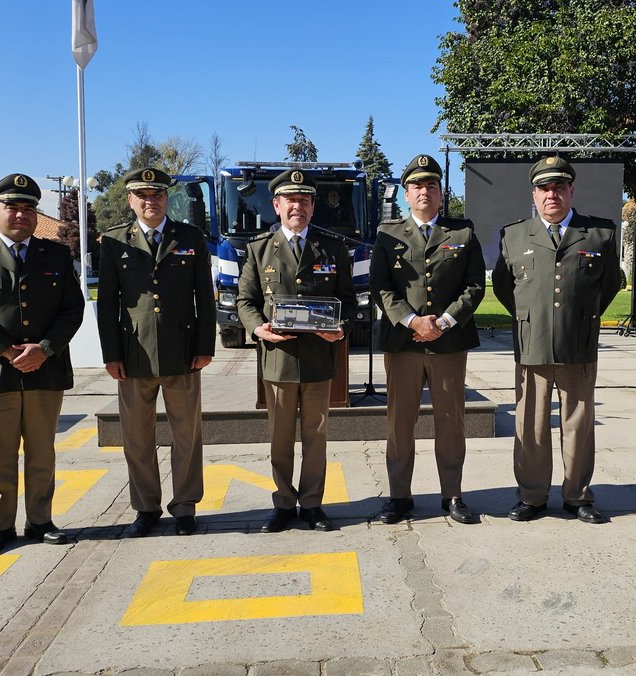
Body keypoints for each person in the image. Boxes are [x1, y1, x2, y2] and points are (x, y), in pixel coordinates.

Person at [0, 173, 85, 556]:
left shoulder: (55, 255)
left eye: (28, 208)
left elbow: (73, 308)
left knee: (42, 452)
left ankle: (40, 520)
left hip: (46, 369)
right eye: (13, 207)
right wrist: (9, 352)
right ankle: (0, 526)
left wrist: (44, 348)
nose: (21, 214)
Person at [491, 157, 621, 524]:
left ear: (571, 191)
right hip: (532, 344)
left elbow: (610, 284)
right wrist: (532, 317)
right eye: (545, 188)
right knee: (530, 425)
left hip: (578, 344)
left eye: (560, 187)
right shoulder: (514, 235)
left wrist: (580, 317)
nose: (552, 195)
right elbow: (505, 287)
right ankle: (532, 496)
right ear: (533, 194)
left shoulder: (600, 233)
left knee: (578, 425)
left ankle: (577, 496)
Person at [97, 167, 216, 538]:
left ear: (168, 198)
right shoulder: (115, 242)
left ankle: (185, 507)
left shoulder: (190, 237)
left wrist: (204, 346)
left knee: (187, 435)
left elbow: (204, 299)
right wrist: (111, 354)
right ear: (131, 200)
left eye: (158, 195)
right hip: (134, 356)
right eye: (143, 195)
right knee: (136, 437)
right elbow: (108, 304)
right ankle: (146, 507)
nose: (151, 201)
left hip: (182, 352)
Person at [237, 169, 355, 533]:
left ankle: (313, 504)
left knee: (316, 438)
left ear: (312, 206)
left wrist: (341, 328)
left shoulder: (332, 248)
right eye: (290, 200)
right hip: (279, 361)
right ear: (276, 205)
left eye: (304, 200)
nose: (297, 207)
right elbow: (246, 300)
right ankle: (284, 502)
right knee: (281, 439)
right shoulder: (259, 250)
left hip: (319, 359)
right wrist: (258, 328)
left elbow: (349, 301)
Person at [369, 154, 485, 525]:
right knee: (399, 424)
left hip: (448, 344)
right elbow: (380, 287)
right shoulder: (388, 235)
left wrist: (445, 321)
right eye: (417, 185)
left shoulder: (462, 232)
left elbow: (474, 286)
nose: (425, 191)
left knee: (451, 423)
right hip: (403, 344)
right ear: (406, 193)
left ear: (440, 192)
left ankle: (452, 495)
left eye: (431, 185)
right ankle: (399, 497)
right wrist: (413, 322)